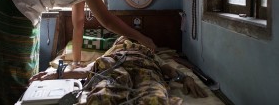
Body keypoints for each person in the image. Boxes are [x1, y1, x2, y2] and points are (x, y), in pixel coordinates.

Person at [0, 0, 156, 105]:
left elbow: (78, 24)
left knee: (27, 65)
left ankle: (24, 99)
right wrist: (142, 38)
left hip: (22, 9)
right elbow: (106, 20)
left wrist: (76, 63)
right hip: (13, 6)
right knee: (16, 68)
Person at [30, 36, 208, 104]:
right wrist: (53, 74)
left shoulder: (147, 52)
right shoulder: (110, 54)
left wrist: (186, 78)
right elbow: (85, 71)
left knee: (155, 98)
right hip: (113, 70)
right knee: (102, 96)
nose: (126, 42)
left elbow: (168, 69)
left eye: (130, 40)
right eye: (121, 40)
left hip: (147, 70)